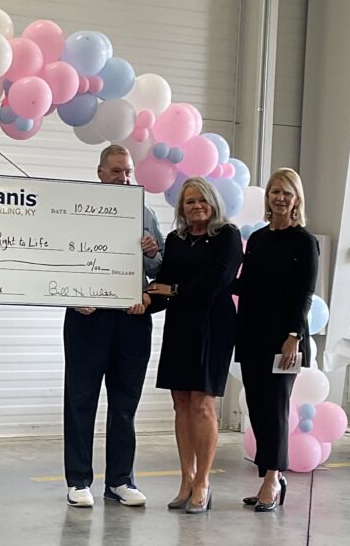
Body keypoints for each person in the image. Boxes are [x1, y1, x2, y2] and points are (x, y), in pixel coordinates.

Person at [63, 145, 164, 508]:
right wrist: (73, 296)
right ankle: (78, 481)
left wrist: (152, 255)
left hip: (132, 318)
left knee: (125, 404)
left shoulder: (146, 214)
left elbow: (160, 269)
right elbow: (57, 260)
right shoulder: (74, 213)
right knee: (80, 401)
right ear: (100, 173)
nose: (124, 178)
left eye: (128, 172)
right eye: (117, 171)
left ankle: (120, 480)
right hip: (87, 317)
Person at [146, 177, 242, 513]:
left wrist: (172, 291)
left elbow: (220, 279)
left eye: (202, 200)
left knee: (203, 404)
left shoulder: (227, 235)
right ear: (181, 208)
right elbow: (164, 284)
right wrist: (141, 298)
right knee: (181, 402)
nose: (197, 206)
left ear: (213, 202)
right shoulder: (175, 240)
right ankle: (185, 480)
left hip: (213, 325)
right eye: (189, 202)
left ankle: (203, 482)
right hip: (181, 325)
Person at [235, 168, 319, 512]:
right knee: (258, 409)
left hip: (285, 340)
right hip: (253, 335)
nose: (280, 198)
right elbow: (244, 285)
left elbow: (306, 293)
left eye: (287, 193)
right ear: (267, 198)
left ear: (296, 199)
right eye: (275, 192)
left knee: (276, 409)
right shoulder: (257, 239)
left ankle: (273, 478)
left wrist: (294, 336)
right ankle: (268, 476)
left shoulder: (304, 241)